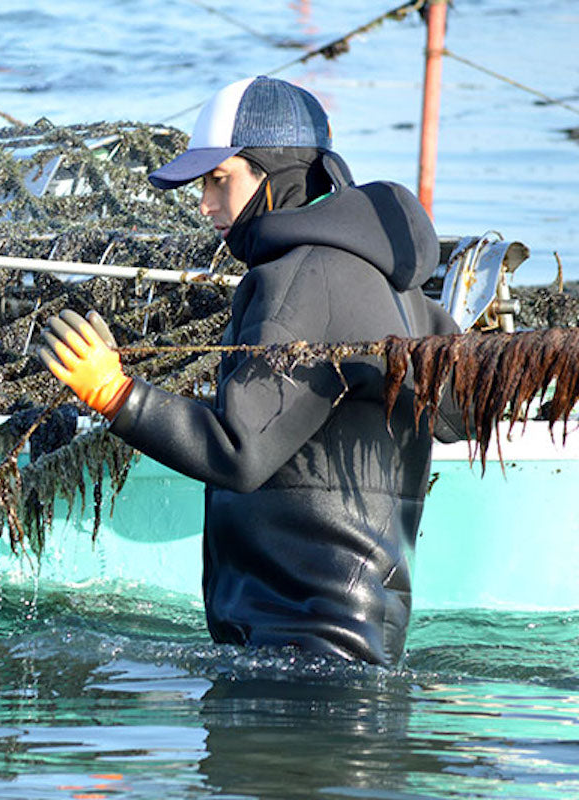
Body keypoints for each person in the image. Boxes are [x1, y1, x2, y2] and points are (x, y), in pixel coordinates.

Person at [40, 76, 464, 666]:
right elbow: (458, 412)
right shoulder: (402, 289)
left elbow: (239, 453)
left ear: (278, 174)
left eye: (220, 179)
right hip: (361, 651)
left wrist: (115, 394)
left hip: (297, 655)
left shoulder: (301, 277)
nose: (206, 204)